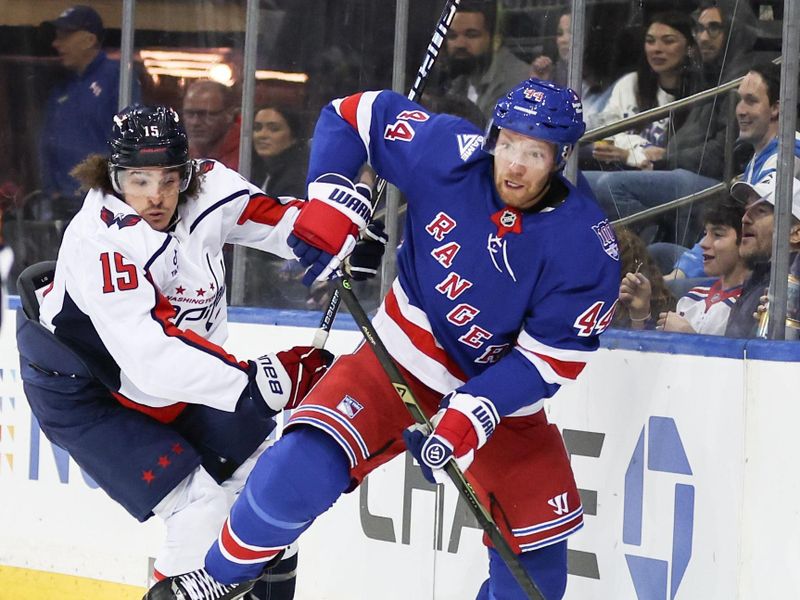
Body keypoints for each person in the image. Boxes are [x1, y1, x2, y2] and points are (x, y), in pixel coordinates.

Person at [148, 79, 622, 599]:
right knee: (296, 467)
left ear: (561, 157)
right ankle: (219, 579)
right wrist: (330, 198)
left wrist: (476, 409)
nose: (514, 164)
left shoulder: (586, 245)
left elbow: (547, 360)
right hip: (402, 354)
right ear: (492, 135)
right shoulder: (449, 154)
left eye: (534, 152)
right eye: (507, 143)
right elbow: (352, 114)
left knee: (536, 566)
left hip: (499, 396)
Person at [15, 104, 385, 600]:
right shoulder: (99, 242)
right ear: (112, 173)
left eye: (169, 179)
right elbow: (151, 357)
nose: (155, 196)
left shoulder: (210, 187)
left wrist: (335, 238)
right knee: (200, 503)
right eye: (138, 180)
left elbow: (277, 222)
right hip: (85, 388)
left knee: (266, 485)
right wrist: (266, 379)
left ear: (187, 172)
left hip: (174, 377)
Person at [661, 62, 800, 284]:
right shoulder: (759, 155)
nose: (740, 110)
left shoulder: (786, 158)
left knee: (671, 288)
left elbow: (758, 243)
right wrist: (684, 268)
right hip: (748, 264)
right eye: (740, 100)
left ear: (776, 108)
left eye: (751, 101)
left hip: (768, 278)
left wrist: (680, 275)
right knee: (662, 253)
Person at [38, 5, 140, 221]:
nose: (56, 44)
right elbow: (48, 142)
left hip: (103, 203)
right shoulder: (63, 88)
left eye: (64, 36)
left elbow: (131, 141)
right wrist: (52, 190)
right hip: (64, 205)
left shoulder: (117, 78)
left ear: (89, 39)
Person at [620, 201, 748, 335]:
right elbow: (655, 352)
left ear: (746, 240)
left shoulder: (752, 306)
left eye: (718, 234)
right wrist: (640, 312)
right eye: (705, 234)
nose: (703, 244)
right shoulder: (693, 296)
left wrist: (689, 337)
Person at [724, 173, 800, 338]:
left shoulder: (793, 288)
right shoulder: (757, 278)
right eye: (746, 211)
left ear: (796, 233)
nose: (744, 219)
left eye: (760, 211)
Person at [440, 0, 531, 120]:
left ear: (495, 39)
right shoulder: (460, 77)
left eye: (472, 35)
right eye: (452, 36)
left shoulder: (517, 80)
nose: (460, 44)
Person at [182, 80, 241, 170]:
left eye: (205, 114)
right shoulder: (181, 154)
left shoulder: (247, 154)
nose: (195, 122)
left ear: (229, 114)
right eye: (189, 113)